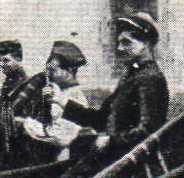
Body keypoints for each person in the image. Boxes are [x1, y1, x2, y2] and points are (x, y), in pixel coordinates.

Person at [60, 12, 169, 155]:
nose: (120, 48)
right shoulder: (132, 76)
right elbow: (102, 119)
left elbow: (148, 131)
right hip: (117, 157)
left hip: (131, 164)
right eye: (119, 42)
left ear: (146, 44)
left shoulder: (150, 78)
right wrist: (62, 103)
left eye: (126, 42)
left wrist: (110, 142)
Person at [19, 40, 90, 151]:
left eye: (53, 71)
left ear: (70, 70)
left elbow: (63, 138)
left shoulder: (76, 97)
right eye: (47, 70)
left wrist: (25, 125)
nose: (48, 75)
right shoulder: (53, 89)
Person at [0, 39, 31, 115]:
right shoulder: (9, 81)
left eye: (6, 60)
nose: (1, 64)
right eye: (0, 61)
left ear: (18, 59)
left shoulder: (23, 83)